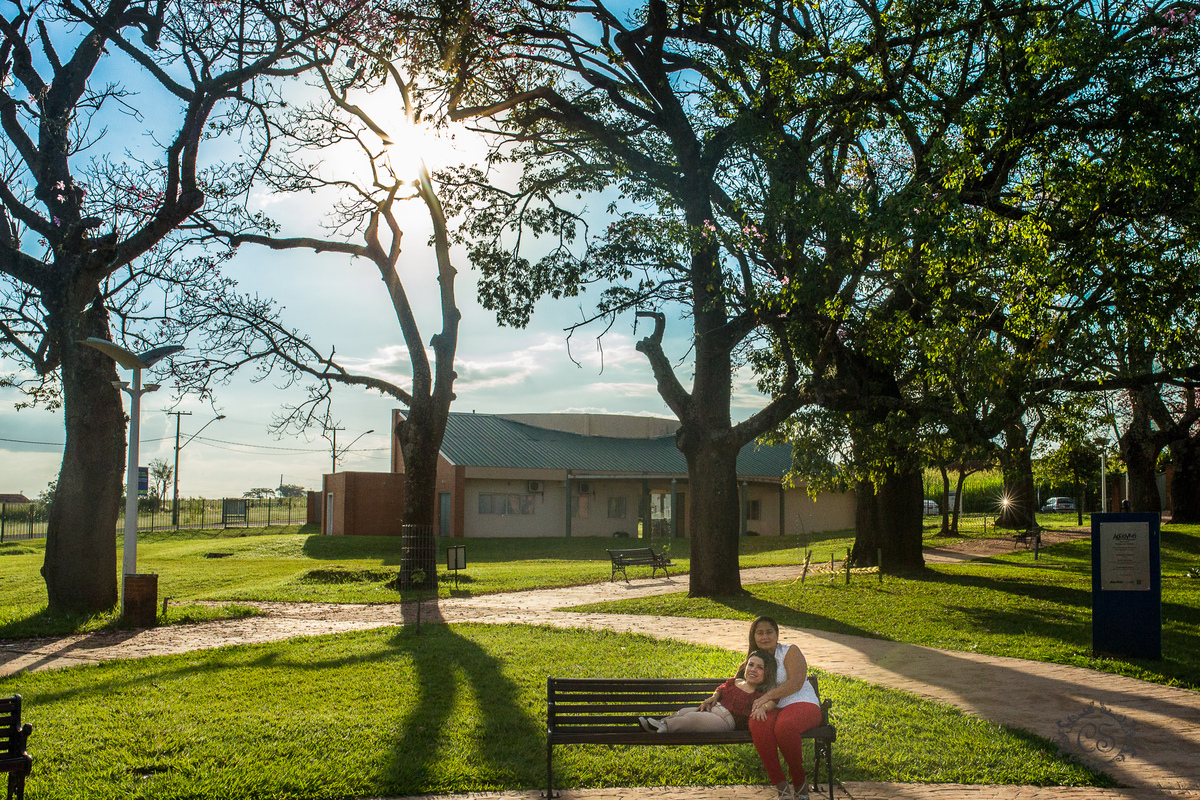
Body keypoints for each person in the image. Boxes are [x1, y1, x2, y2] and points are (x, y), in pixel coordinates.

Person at [746, 615, 823, 800]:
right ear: (754, 637)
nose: (765, 637)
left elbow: (796, 682)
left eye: (769, 632)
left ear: (777, 634)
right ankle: (781, 787)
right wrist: (717, 696)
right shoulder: (755, 658)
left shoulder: (790, 651)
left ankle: (799, 784)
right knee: (757, 723)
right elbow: (739, 683)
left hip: (801, 702)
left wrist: (767, 696)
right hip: (773, 708)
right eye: (760, 633)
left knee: (785, 727)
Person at [639, 649, 777, 733]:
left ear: (767, 673)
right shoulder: (735, 682)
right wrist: (713, 697)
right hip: (713, 709)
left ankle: (663, 728)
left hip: (726, 721)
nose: (753, 669)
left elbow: (773, 701)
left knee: (693, 719)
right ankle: (659, 723)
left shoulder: (760, 694)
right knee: (684, 712)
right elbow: (721, 689)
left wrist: (763, 708)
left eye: (760, 668)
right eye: (751, 665)